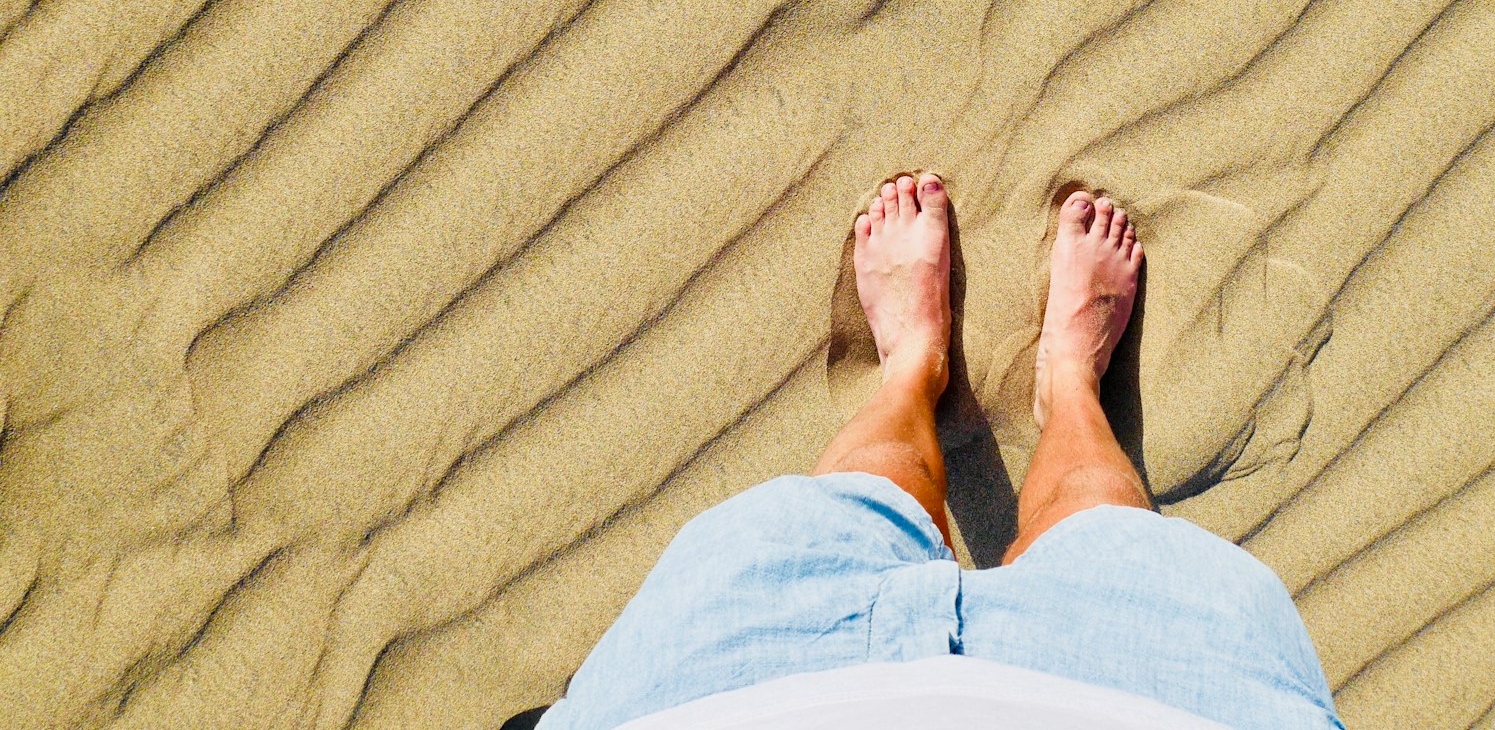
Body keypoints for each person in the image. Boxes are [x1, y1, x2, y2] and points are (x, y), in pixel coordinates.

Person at [533, 174, 1344, 730]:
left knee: (840, 521)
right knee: (1102, 533)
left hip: (734, 697)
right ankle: (1065, 386)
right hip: (1143, 702)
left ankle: (916, 370)